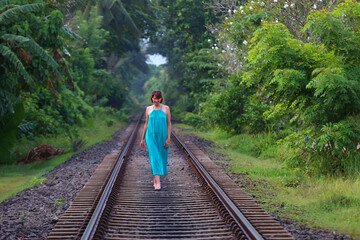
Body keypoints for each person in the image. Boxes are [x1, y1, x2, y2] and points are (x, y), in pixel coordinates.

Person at [140, 90, 171, 190]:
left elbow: (169, 124)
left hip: (162, 136)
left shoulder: (166, 108)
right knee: (154, 157)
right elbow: (146, 124)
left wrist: (168, 138)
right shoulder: (148, 109)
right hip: (151, 136)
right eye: (154, 98)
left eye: (157, 98)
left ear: (161, 98)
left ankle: (155, 179)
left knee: (161, 157)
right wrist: (142, 139)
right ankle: (158, 182)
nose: (156, 100)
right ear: (152, 98)